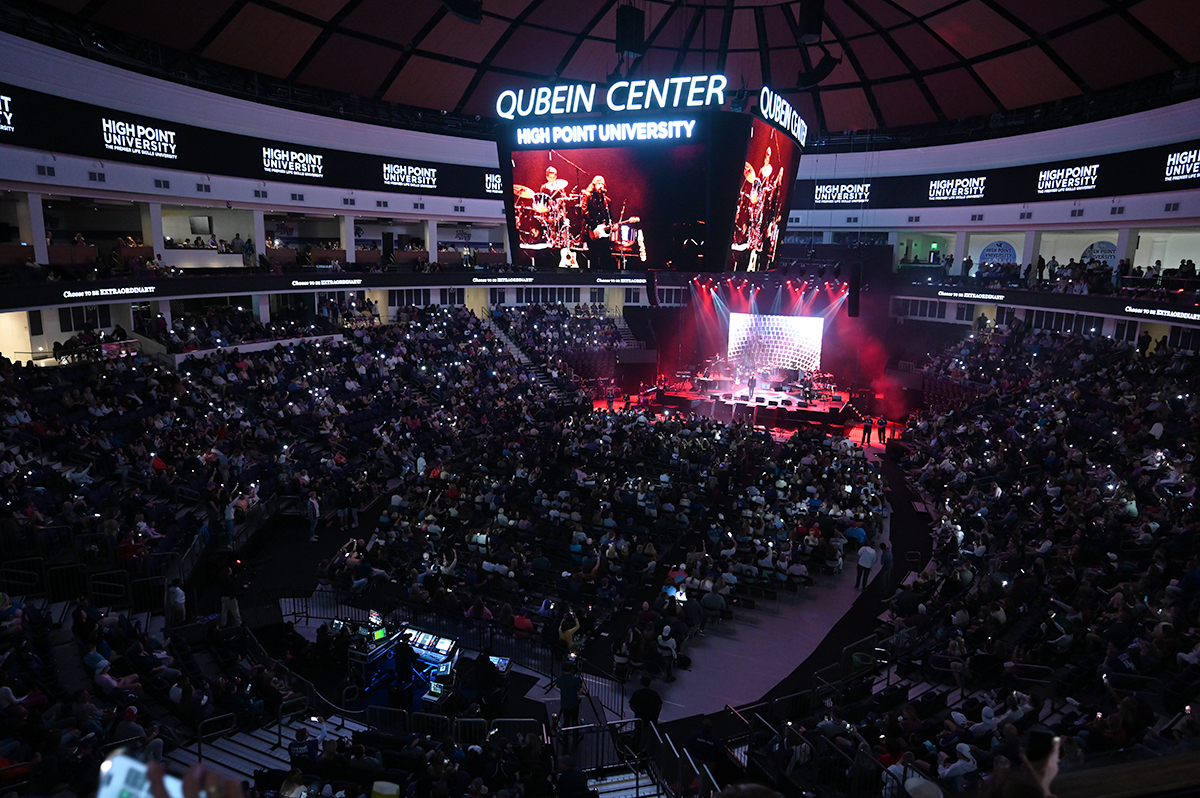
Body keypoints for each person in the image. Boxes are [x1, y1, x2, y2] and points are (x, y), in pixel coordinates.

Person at [582, 175, 613, 271]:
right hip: (591, 230)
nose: (601, 186)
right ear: (594, 184)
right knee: (593, 256)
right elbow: (584, 212)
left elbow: (608, 216)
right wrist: (593, 227)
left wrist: (611, 225)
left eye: (602, 184)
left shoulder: (605, 200)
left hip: (602, 231)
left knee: (606, 255)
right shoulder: (587, 196)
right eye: (599, 183)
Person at [557, 660, 585, 732]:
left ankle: (565, 737)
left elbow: (559, 686)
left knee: (566, 721)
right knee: (574, 721)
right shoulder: (575, 680)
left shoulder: (560, 679)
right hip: (574, 704)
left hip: (564, 703)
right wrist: (583, 686)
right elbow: (579, 692)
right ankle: (576, 736)